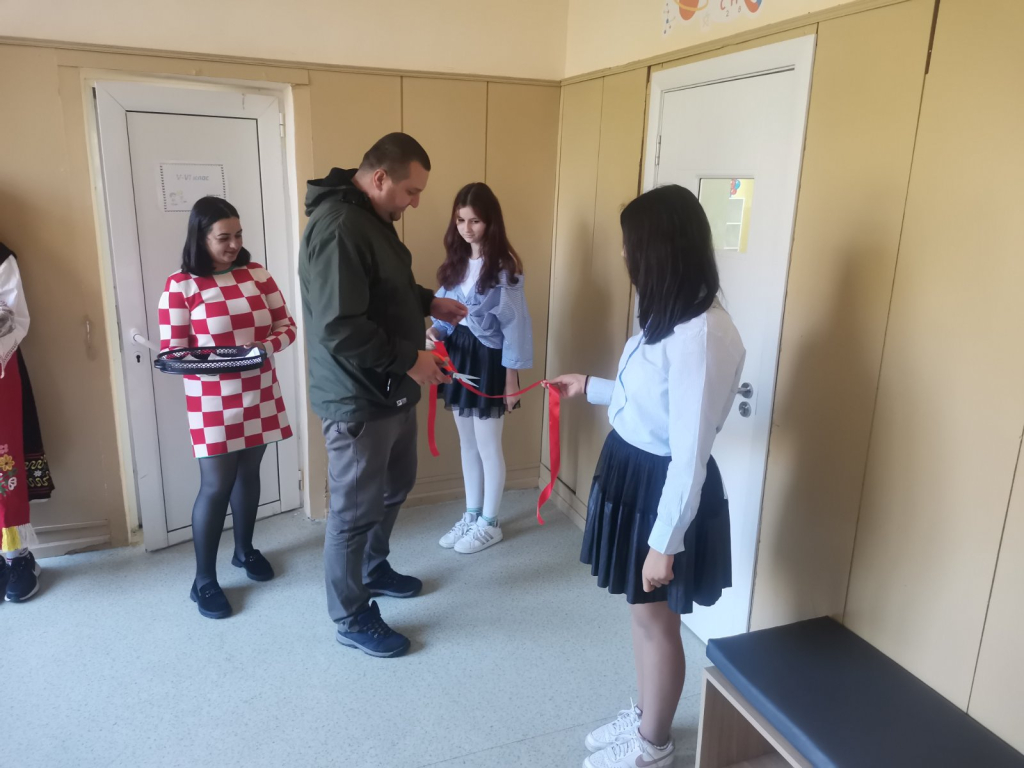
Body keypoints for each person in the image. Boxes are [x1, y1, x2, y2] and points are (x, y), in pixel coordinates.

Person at [550, 185, 745, 768]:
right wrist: (591, 387)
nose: (623, 255)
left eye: (630, 245)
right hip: (635, 475)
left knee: (658, 621)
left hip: (664, 492)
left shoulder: (702, 336)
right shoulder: (670, 317)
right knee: (642, 614)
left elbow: (688, 452)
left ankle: (653, 747)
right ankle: (646, 718)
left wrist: (665, 542)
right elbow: (651, 403)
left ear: (661, 251)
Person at [299, 133, 467, 658]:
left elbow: (382, 287)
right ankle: (350, 615)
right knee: (353, 512)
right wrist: (410, 360)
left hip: (390, 388)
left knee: (396, 484)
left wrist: (428, 302)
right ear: (379, 178)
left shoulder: (369, 219)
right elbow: (339, 326)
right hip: (358, 395)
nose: (414, 203)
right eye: (411, 191)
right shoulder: (339, 227)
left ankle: (372, 568)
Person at [158, 197, 296, 620]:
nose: (234, 244)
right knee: (216, 485)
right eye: (224, 237)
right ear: (201, 238)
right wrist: (220, 360)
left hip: (259, 388)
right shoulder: (181, 286)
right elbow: (173, 352)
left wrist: (262, 348)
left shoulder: (257, 274)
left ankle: (244, 550)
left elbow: (286, 326)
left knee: (249, 473)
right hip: (211, 399)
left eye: (238, 235)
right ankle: (203, 580)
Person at [429, 182, 533, 554]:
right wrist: (433, 333)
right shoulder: (455, 263)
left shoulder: (505, 269)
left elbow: (515, 326)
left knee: (489, 445)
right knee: (467, 443)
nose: (467, 228)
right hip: (458, 356)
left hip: (488, 359)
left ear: (490, 221)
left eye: (475, 220)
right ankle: (472, 514)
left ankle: (490, 522)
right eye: (461, 220)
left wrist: (511, 381)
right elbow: (444, 315)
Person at [0, 242, 56, 603]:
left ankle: (17, 557)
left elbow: (13, 317)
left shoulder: (1, 258)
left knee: (2, 464)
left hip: (0, 369)